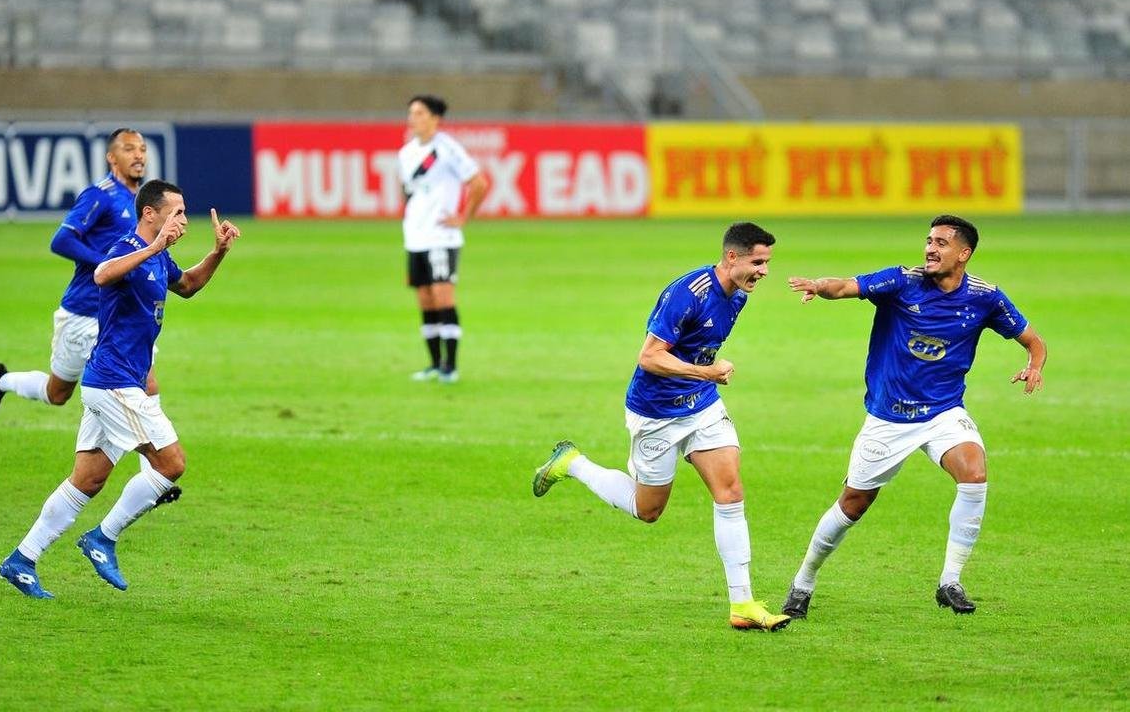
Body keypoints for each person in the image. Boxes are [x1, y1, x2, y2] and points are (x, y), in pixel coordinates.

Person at [780, 215, 1047, 618]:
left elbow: (1033, 341)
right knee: (852, 505)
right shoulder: (902, 282)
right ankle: (803, 583)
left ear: (964, 253)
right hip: (890, 418)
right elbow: (847, 285)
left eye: (941, 242)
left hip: (943, 413)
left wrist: (1035, 364)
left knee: (974, 475)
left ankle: (949, 581)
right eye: (928, 241)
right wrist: (819, 287)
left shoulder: (985, 297)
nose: (930, 249)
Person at [533, 222, 791, 632]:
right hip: (655, 412)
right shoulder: (687, 294)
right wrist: (704, 372)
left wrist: (701, 380)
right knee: (647, 509)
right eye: (758, 262)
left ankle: (742, 603)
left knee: (731, 491)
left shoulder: (738, 295)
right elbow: (649, 357)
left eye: (767, 263)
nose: (764, 271)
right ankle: (574, 462)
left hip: (700, 407)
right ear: (732, 257)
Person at [0, 180, 241, 598]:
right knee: (171, 463)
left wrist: (217, 253)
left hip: (107, 384)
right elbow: (101, 274)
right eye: (178, 211)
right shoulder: (126, 246)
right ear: (151, 213)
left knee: (87, 481)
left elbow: (187, 286)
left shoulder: (159, 257)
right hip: (116, 385)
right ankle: (102, 538)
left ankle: (22, 559)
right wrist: (152, 248)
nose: (184, 219)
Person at [0, 128, 161, 417]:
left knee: (146, 382)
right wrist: (106, 263)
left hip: (122, 312)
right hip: (84, 312)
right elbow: (61, 240)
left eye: (142, 148)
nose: (138, 154)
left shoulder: (142, 202)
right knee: (57, 393)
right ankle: (2, 381)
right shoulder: (99, 195)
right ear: (111, 157)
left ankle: (155, 464)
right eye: (129, 149)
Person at [398, 94, 490, 383]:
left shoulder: (447, 148)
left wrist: (463, 217)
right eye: (411, 112)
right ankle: (434, 364)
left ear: (435, 118)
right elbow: (409, 192)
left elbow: (479, 183)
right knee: (425, 299)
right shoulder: (406, 153)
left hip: (441, 236)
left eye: (419, 113)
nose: (413, 118)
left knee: (442, 295)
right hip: (415, 237)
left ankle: (451, 366)